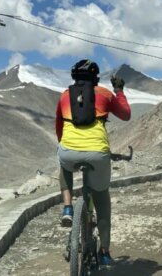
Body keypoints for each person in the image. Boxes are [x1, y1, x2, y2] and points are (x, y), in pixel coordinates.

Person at [56, 59, 131, 266]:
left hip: (69, 152)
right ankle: (105, 252)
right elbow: (125, 115)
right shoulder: (105, 93)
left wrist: (68, 148)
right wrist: (119, 90)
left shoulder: (64, 95)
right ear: (96, 77)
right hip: (98, 153)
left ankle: (68, 208)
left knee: (61, 159)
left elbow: (59, 129)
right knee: (102, 199)